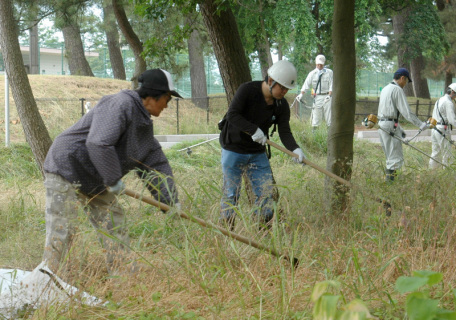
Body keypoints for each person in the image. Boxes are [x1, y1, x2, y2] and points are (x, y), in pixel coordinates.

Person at [42, 68, 182, 275]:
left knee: (114, 224)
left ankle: (124, 279)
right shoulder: (121, 103)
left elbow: (156, 164)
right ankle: (49, 280)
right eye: (168, 99)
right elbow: (99, 142)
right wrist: (113, 178)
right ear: (154, 95)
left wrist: (170, 201)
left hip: (94, 176)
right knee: (63, 229)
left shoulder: (142, 125)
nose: (168, 105)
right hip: (67, 166)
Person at [219, 60, 307, 230]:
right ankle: (226, 233)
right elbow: (233, 115)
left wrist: (295, 149)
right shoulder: (247, 90)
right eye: (282, 87)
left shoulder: (281, 105)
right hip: (233, 148)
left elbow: (285, 132)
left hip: (257, 152)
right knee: (231, 194)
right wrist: (253, 130)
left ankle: (264, 231)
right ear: (270, 81)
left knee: (266, 193)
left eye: (287, 89)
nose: (284, 92)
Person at [377, 67, 428, 181]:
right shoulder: (397, 90)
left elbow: (388, 111)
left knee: (389, 155)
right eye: (406, 81)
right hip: (389, 125)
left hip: (382, 124)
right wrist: (420, 124)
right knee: (395, 156)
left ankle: (390, 182)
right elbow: (407, 112)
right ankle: (390, 184)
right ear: (402, 78)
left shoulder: (385, 88)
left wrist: (400, 129)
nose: (405, 84)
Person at [297, 54, 333, 131]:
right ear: (316, 63)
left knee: (329, 118)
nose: (319, 65)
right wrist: (301, 94)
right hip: (317, 97)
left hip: (327, 96)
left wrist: (329, 95)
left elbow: (332, 85)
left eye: (321, 64)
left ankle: (330, 136)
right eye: (318, 64)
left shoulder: (329, 72)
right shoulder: (312, 74)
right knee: (315, 118)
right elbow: (306, 84)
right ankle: (315, 135)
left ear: (323, 63)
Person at [429, 83, 456, 169]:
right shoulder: (448, 103)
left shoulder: (439, 100)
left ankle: (431, 171)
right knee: (447, 153)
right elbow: (452, 120)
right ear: (452, 92)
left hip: (434, 129)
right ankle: (447, 173)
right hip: (442, 130)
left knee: (435, 152)